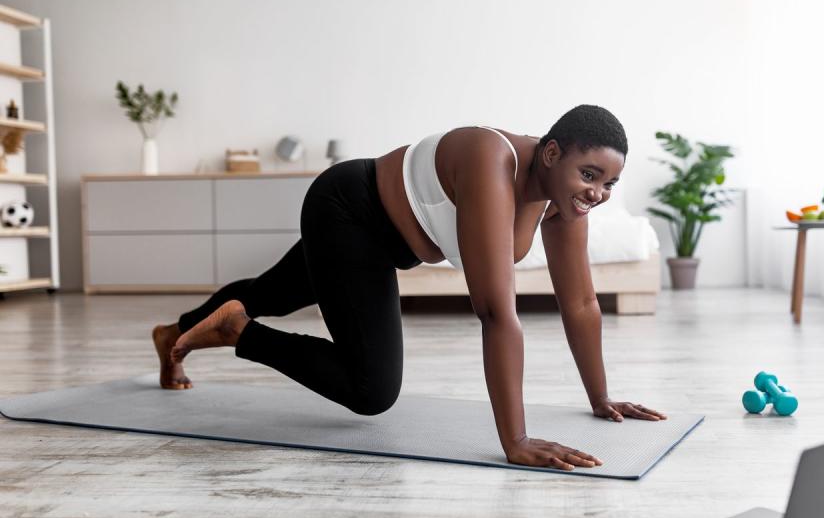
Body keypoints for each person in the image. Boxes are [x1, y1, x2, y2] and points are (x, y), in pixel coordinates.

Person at [151, 104, 666, 471]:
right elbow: (494, 311)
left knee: (272, 292)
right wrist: (516, 440)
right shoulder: (494, 160)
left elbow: (579, 303)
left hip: (382, 240)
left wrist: (601, 398)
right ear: (552, 153)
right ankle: (240, 332)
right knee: (372, 390)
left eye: (609, 184)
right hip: (349, 211)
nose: (597, 194)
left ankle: (171, 335)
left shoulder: (566, 201)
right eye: (590, 175)